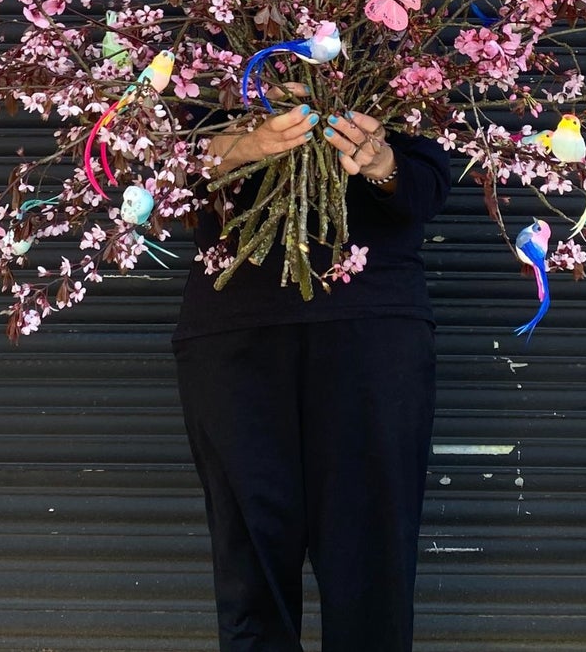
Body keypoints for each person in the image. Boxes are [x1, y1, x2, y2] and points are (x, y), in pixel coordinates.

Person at [172, 97, 451, 652]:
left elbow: (429, 186)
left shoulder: (396, 52)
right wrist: (244, 146)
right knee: (251, 562)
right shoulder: (197, 60)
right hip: (235, 323)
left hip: (372, 324)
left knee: (373, 564)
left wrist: (382, 164)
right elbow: (156, 175)